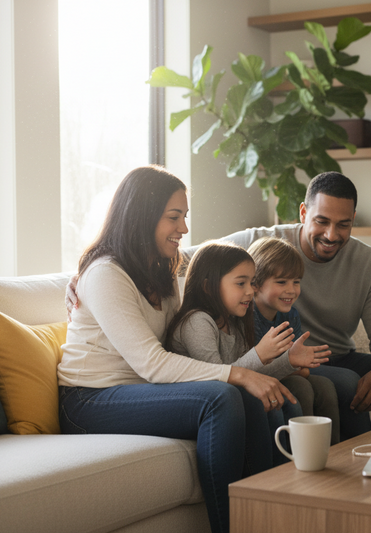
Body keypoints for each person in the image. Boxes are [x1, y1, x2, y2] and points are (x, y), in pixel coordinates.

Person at [66, 171, 371, 439]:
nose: (331, 234)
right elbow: (205, 260)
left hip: (329, 352)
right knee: (336, 383)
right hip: (272, 356)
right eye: (322, 221)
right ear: (304, 212)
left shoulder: (368, 262)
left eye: (343, 224)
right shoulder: (260, 241)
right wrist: (86, 273)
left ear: (354, 220)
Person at [57, 165, 295, 533]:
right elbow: (152, 363)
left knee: (247, 398)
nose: (183, 228)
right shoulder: (105, 273)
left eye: (184, 216)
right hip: (89, 401)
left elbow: (212, 268)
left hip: (138, 391)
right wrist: (239, 372)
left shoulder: (160, 270)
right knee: (222, 397)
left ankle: (267, 520)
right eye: (174, 217)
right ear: (142, 215)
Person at [163, 240, 331, 464]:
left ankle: (296, 472)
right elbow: (220, 381)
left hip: (227, 396)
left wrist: (289, 360)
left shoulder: (236, 321)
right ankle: (267, 483)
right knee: (264, 405)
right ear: (207, 286)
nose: (251, 291)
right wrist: (260, 354)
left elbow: (249, 375)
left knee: (285, 401)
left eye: (252, 283)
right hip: (201, 405)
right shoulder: (197, 322)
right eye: (241, 283)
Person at [247, 236, 341, 444]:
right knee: (301, 386)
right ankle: (300, 454)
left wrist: (295, 364)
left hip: (284, 373)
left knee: (325, 386)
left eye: (296, 282)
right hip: (259, 378)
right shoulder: (247, 317)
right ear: (255, 284)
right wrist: (293, 365)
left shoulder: (291, 316)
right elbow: (256, 366)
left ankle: (331, 453)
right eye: (281, 282)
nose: (291, 290)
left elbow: (301, 366)